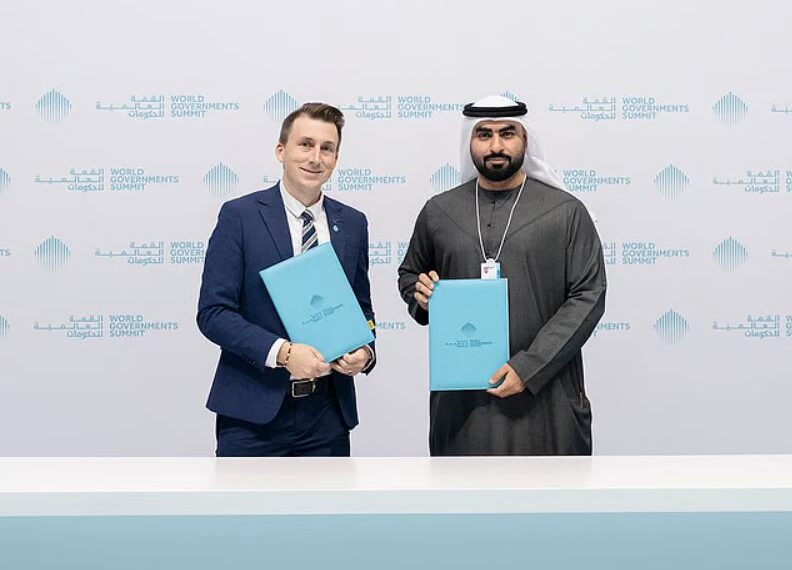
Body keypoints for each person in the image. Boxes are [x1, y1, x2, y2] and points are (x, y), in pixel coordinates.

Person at [398, 95, 606, 456]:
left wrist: (529, 366)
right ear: (469, 141)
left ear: (525, 138)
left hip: (548, 402)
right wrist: (422, 294)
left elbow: (589, 295)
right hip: (463, 409)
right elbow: (410, 274)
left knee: (549, 491)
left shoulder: (566, 211)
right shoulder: (439, 212)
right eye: (484, 135)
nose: (496, 146)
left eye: (507, 133)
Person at [197, 102, 375, 456]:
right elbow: (213, 313)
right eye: (305, 144)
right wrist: (284, 353)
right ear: (281, 151)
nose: (315, 158)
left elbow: (362, 310)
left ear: (336, 158)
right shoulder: (240, 217)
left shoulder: (353, 224)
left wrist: (365, 352)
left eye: (327, 148)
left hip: (328, 417)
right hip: (252, 415)